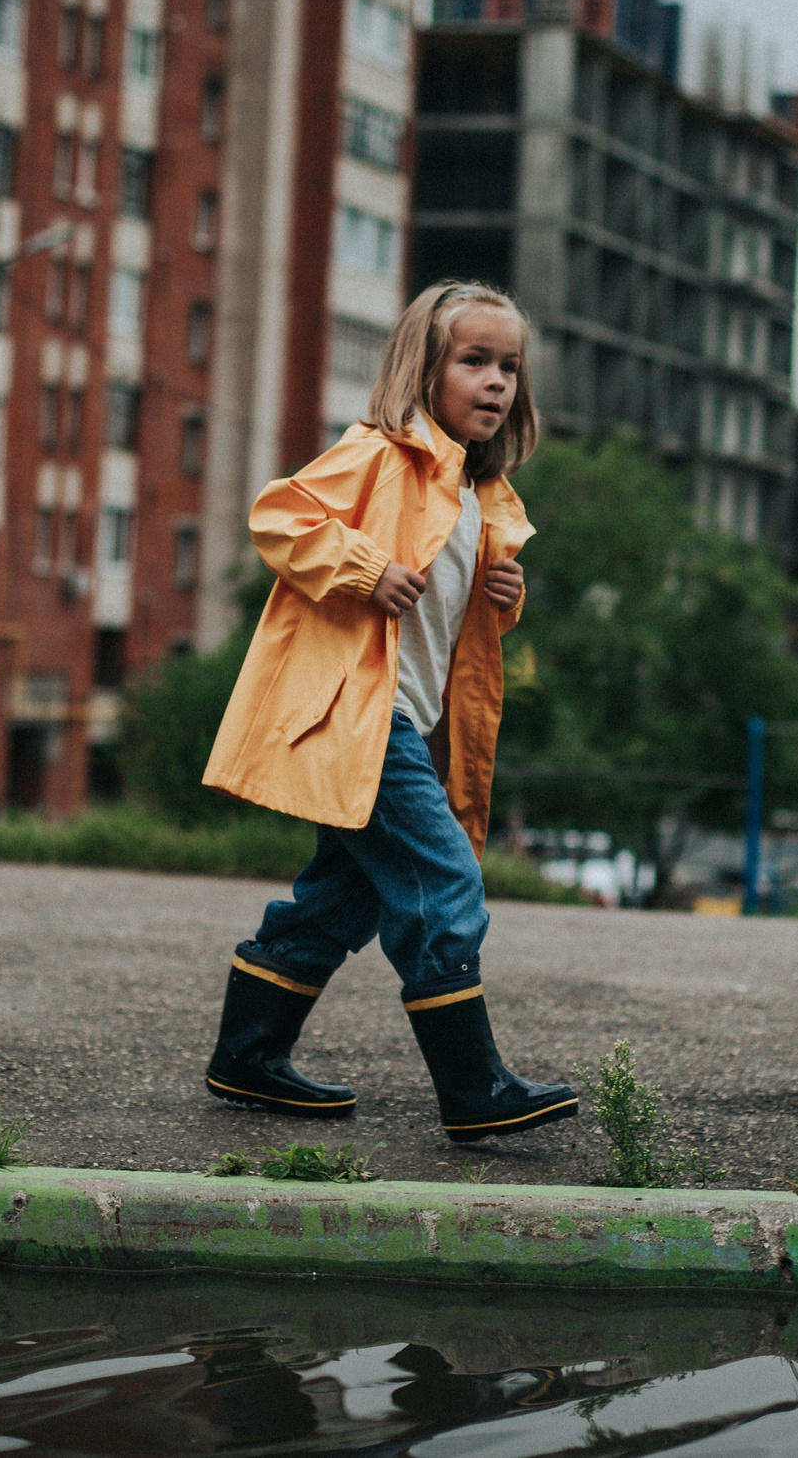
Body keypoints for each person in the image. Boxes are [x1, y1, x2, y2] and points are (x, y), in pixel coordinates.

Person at [197, 280, 578, 1144]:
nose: (496, 382)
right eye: (474, 361)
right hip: (363, 720)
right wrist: (365, 567)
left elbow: (450, 623)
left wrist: (502, 596)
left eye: (509, 367)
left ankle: (247, 1055)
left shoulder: (488, 497)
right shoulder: (380, 454)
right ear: (425, 367)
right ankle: (472, 1087)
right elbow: (280, 514)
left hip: (406, 719)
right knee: (446, 880)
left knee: (343, 895)